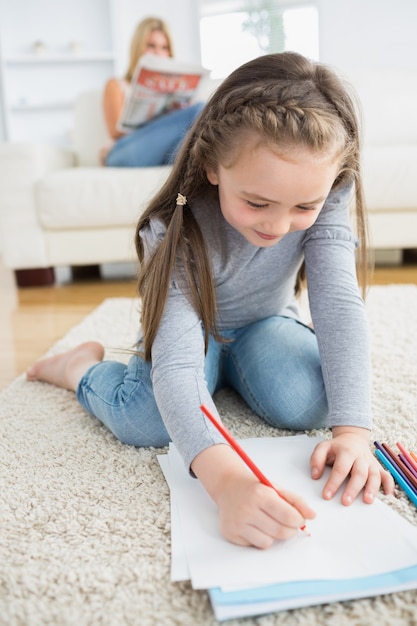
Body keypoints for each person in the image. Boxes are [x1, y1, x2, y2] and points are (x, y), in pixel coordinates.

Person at [27, 52, 394, 550]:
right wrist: (227, 482)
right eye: (258, 203)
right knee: (146, 420)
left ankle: (227, 378)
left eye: (303, 206)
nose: (277, 225)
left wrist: (353, 432)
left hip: (265, 322)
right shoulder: (175, 225)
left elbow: (338, 305)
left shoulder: (328, 193)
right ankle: (78, 369)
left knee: (313, 401)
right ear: (212, 166)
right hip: (189, 328)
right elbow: (177, 365)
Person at [101, 16, 204, 167]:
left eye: (164, 47)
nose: (158, 53)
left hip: (159, 151)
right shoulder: (116, 84)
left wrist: (176, 112)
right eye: (151, 46)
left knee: (193, 134)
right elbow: (115, 132)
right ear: (138, 48)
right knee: (200, 109)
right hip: (124, 151)